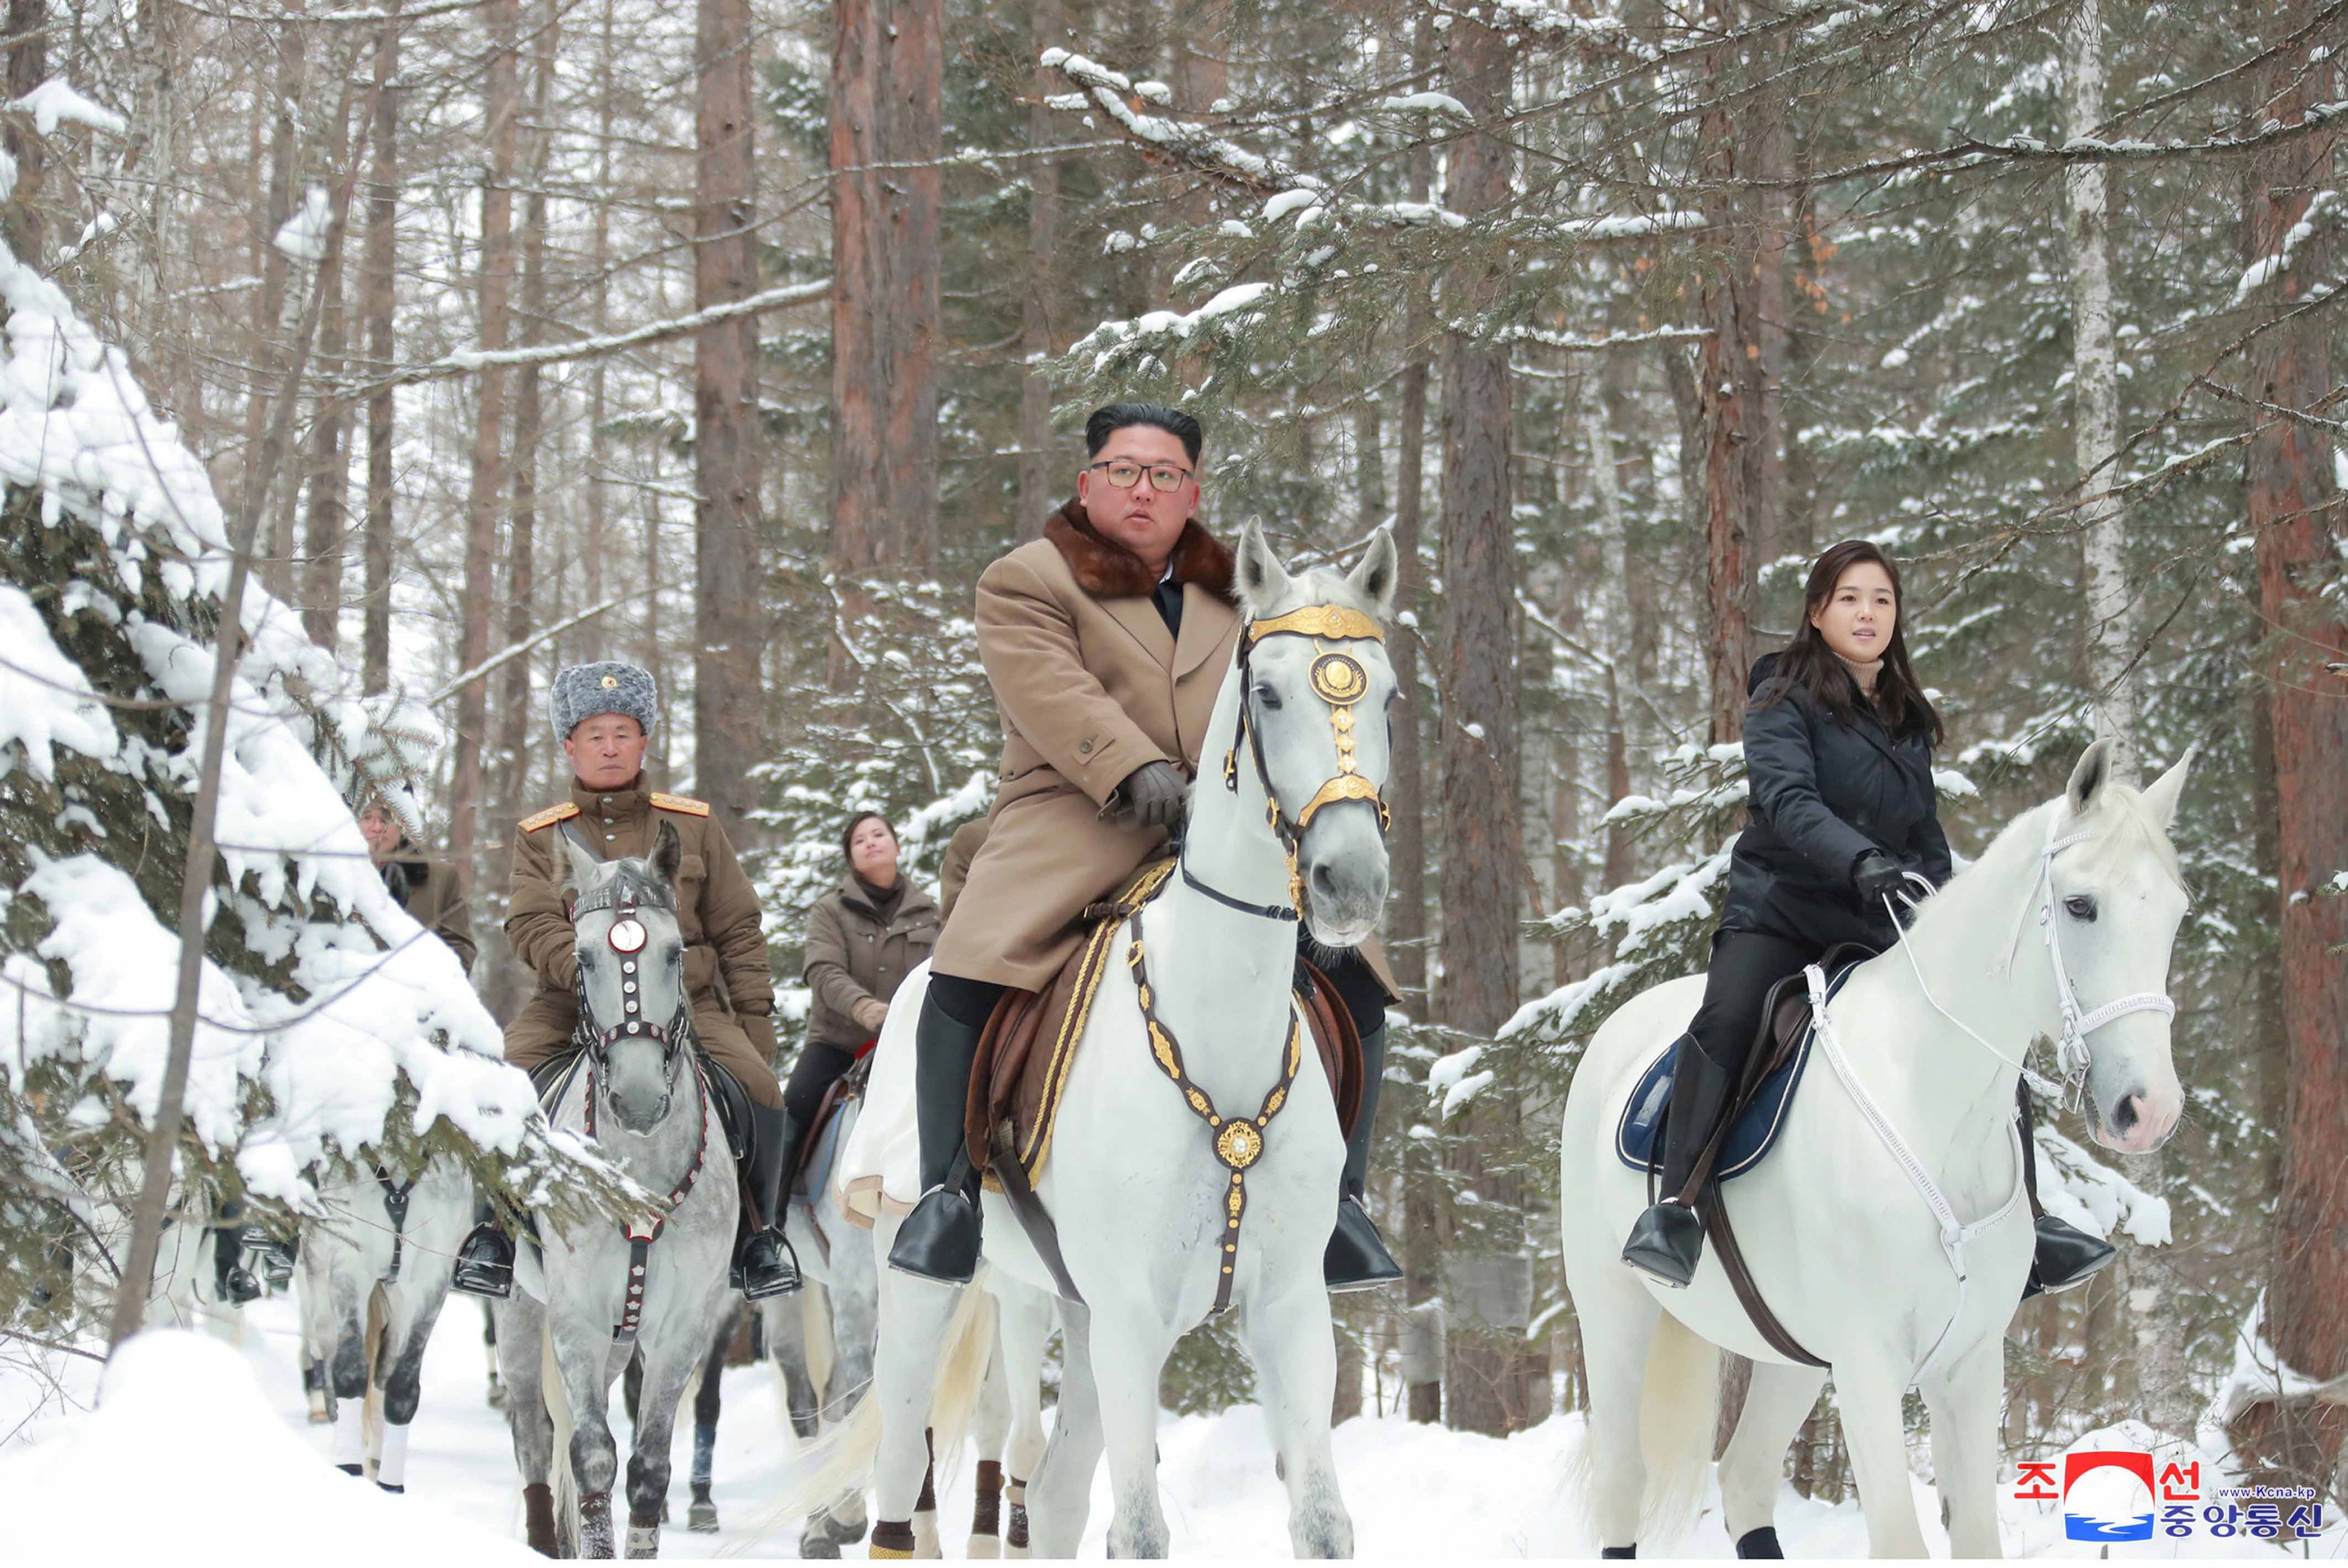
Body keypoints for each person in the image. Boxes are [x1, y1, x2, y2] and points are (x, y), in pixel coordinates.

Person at [889, 403, 1403, 1291]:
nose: (1144, 489)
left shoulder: (1245, 591)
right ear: (1088, 483)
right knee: (970, 968)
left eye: (1165, 474)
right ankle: (949, 1197)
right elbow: (1048, 690)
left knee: (1360, 979)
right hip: (1073, 816)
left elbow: (1282, 698)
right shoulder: (1027, 579)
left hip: (1225, 823)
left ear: (1192, 493)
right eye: (1124, 470)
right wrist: (1130, 765)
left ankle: (1342, 1206)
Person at [1619, 541, 2117, 1299]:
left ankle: (2033, 1221)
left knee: (1987, 1025)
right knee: (1724, 1019)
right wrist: (1858, 860)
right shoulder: (1780, 694)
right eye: (1850, 598)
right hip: (1782, 912)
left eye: (1882, 600)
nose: (1867, 613)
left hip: (1881, 919)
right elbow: (1788, 803)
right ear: (1817, 613)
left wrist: (1947, 907)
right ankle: (1676, 1209)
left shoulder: (1905, 716)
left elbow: (1922, 833)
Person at [451, 662, 800, 1300]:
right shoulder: (543, 836)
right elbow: (529, 921)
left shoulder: (692, 824)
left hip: (685, 1002)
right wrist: (591, 974)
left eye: (622, 732)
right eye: (594, 734)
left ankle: (759, 1237)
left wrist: (753, 1017)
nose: (609, 746)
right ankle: (494, 1234)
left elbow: (738, 923)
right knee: (501, 1088)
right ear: (569, 746)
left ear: (644, 741)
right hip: (570, 1001)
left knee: (760, 1090)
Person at [774, 812, 942, 1192]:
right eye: (859, 840)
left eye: (879, 834)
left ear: (897, 847)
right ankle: (768, 1221)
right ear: (851, 858)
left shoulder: (932, 913)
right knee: (792, 1111)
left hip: (911, 1042)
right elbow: (823, 971)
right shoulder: (830, 911)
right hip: (839, 1042)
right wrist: (866, 1009)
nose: (871, 842)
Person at [358, 788, 478, 971]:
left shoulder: (441, 878)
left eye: (386, 818)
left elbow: (460, 951)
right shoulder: (328, 876)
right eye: (367, 818)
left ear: (403, 824)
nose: (377, 828)